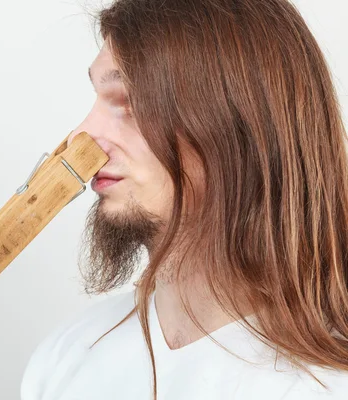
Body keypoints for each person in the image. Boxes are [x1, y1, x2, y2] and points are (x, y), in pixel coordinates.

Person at [20, 0, 348, 399]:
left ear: (237, 126)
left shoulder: (328, 384)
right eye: (97, 99)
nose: (80, 139)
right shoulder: (65, 359)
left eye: (131, 102)